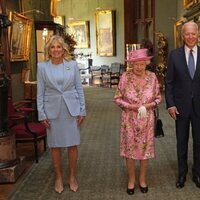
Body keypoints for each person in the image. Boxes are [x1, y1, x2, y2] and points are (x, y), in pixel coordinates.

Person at [37, 35, 86, 194]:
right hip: (52, 111)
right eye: (52, 47)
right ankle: (58, 176)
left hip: (71, 109)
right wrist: (41, 114)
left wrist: (82, 110)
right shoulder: (42, 67)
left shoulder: (72, 65)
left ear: (63, 49)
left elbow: (79, 89)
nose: (56, 50)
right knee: (55, 145)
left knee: (72, 144)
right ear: (48, 50)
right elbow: (40, 93)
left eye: (59, 47)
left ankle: (72, 176)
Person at [114, 48, 161, 195]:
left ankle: (142, 179)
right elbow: (117, 98)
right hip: (129, 120)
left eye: (142, 64)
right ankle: (131, 180)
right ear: (131, 65)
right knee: (130, 151)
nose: (139, 67)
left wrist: (147, 106)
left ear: (146, 63)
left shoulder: (152, 77)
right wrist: (131, 106)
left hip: (147, 120)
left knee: (145, 150)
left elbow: (158, 98)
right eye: (136, 64)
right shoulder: (125, 77)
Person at [165, 21, 200, 189]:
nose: (191, 37)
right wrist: (170, 104)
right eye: (188, 34)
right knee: (182, 141)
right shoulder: (174, 55)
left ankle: (198, 173)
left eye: (194, 33)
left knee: (199, 142)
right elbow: (169, 82)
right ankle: (181, 173)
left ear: (198, 34)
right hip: (180, 106)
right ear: (182, 35)